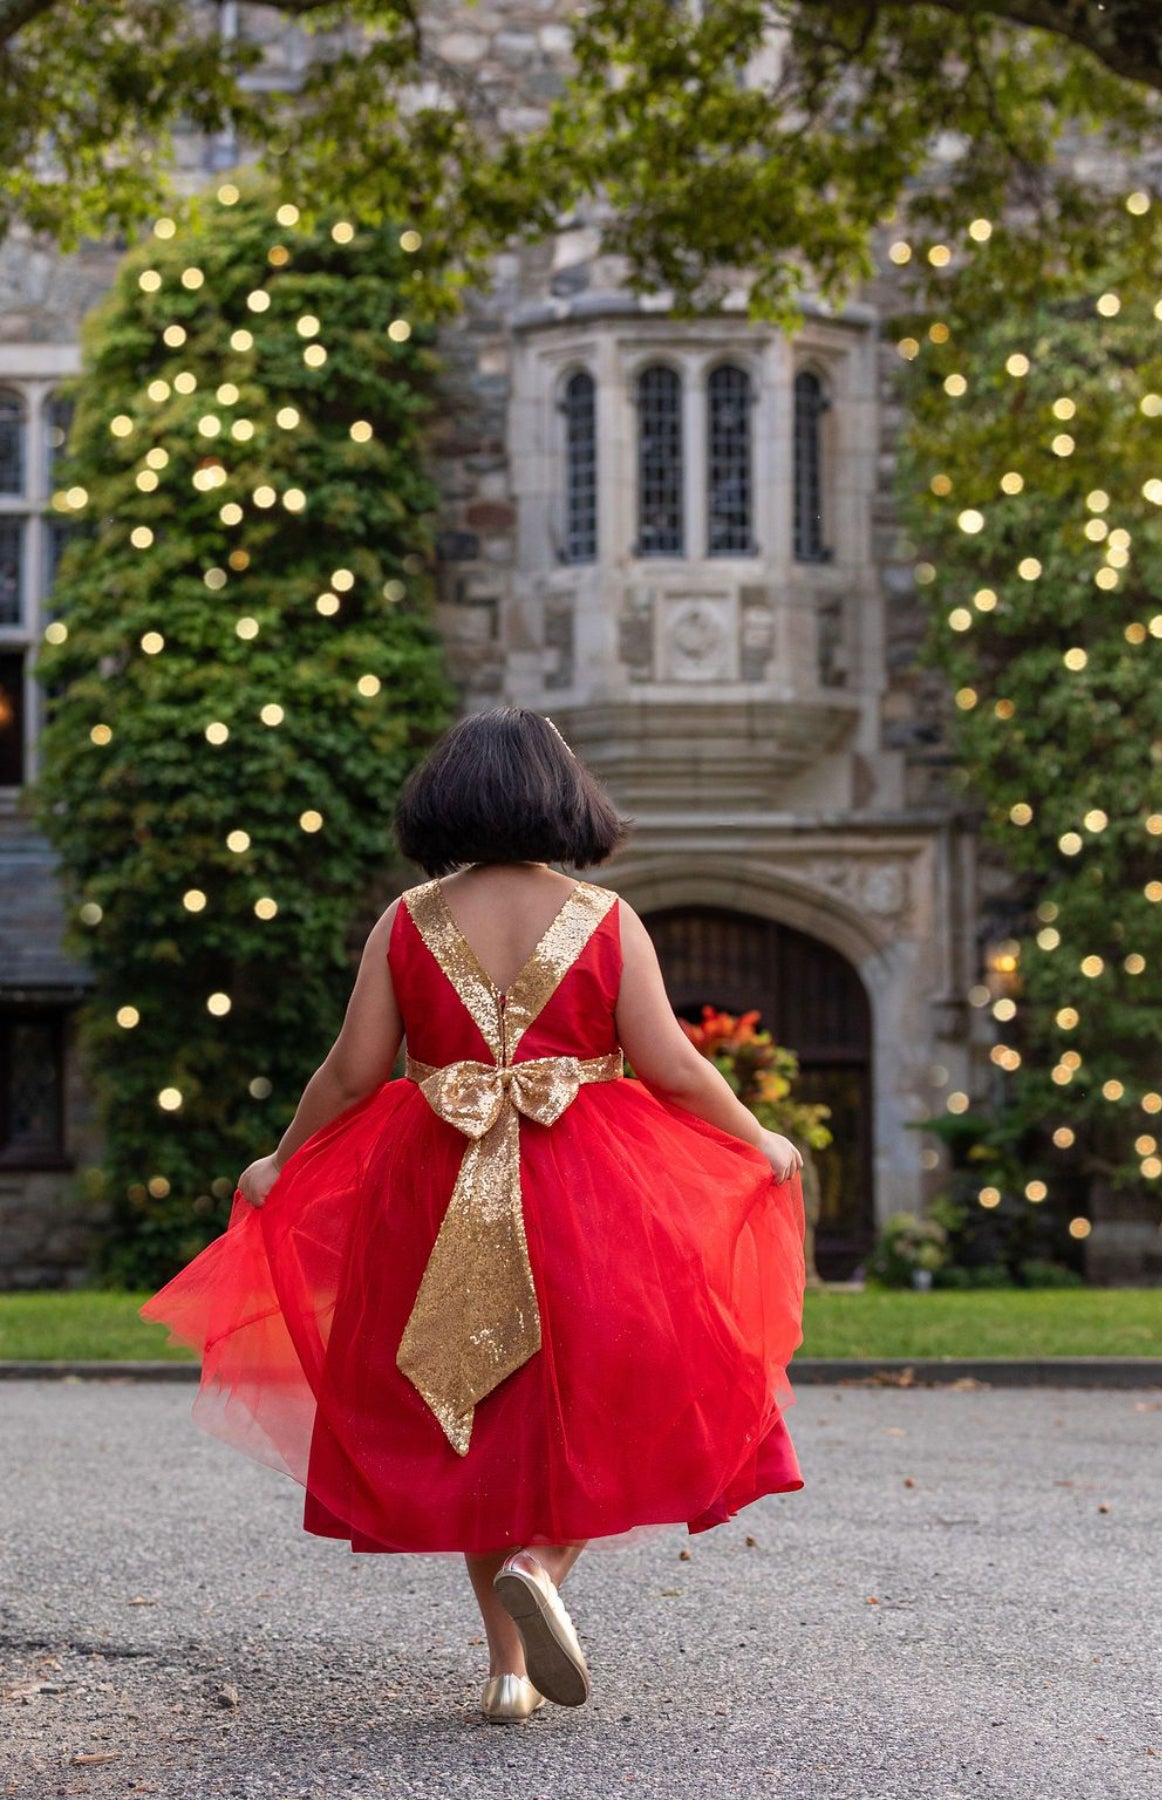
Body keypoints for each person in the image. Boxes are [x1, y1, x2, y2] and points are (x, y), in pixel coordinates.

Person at [141, 708, 806, 1724]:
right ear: (562, 798)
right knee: (618, 1395)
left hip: (437, 1186)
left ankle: (506, 1674)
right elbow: (669, 1064)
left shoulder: (408, 922)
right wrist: (756, 1137)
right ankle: (542, 1566)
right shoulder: (604, 917)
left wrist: (284, 1157)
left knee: (474, 1413)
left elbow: (354, 1072)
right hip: (590, 1186)